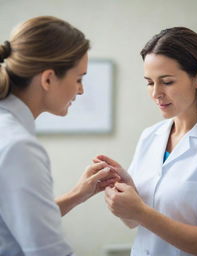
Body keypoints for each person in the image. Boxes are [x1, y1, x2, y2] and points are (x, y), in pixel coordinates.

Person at [97, 27, 197, 256]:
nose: (156, 93)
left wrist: (140, 211)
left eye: (167, 82)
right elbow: (135, 222)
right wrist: (123, 198)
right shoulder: (150, 136)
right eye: (150, 82)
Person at [0, 16, 119, 256]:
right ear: (48, 79)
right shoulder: (19, 146)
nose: (81, 89)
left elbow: (17, 220)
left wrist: (77, 194)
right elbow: (48, 251)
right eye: (79, 78)